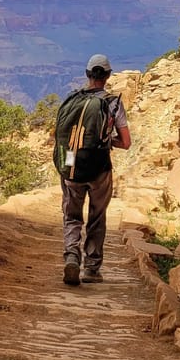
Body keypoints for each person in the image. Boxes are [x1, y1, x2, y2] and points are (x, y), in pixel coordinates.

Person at [61, 54, 131, 285]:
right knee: (97, 216)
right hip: (99, 166)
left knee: (72, 215)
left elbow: (62, 135)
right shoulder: (112, 103)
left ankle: (72, 256)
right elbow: (126, 143)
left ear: (87, 74)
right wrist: (107, 141)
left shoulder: (72, 99)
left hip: (71, 162)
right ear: (108, 76)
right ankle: (91, 269)